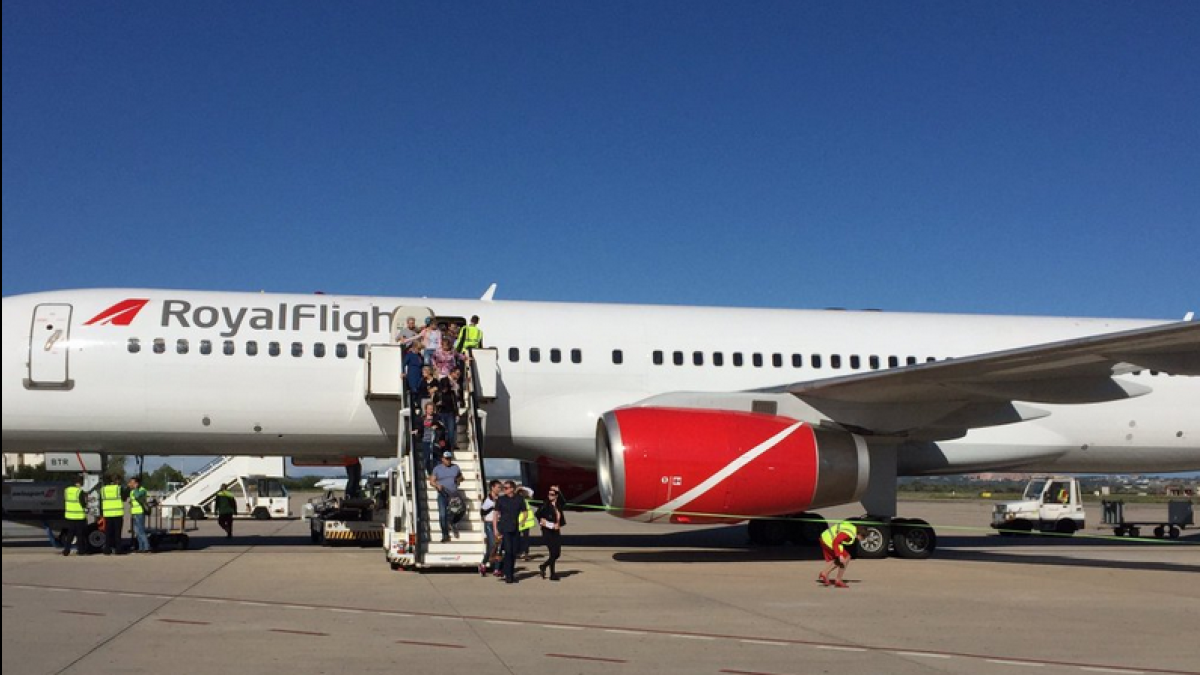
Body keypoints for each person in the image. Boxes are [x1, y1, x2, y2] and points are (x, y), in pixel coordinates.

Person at [428, 452, 463, 542]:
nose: (448, 460)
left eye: (450, 458)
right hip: (443, 494)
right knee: (442, 515)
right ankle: (445, 534)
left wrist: (458, 480)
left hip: (453, 494)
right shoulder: (437, 469)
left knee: (460, 511)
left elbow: (461, 477)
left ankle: (452, 522)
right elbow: (431, 481)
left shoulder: (456, 467)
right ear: (442, 459)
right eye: (446, 458)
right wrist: (437, 485)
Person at [817, 521, 863, 589]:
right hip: (828, 540)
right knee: (845, 557)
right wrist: (839, 555)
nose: (862, 540)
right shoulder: (849, 533)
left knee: (844, 558)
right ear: (860, 535)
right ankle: (838, 580)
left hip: (826, 537)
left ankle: (825, 573)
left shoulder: (851, 528)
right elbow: (836, 542)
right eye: (863, 538)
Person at [494, 480, 523, 584]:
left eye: (506, 488)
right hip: (504, 528)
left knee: (514, 552)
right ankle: (508, 575)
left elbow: (525, 512)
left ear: (512, 489)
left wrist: (522, 522)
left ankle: (509, 572)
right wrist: (495, 529)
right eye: (503, 488)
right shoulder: (501, 500)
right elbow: (496, 514)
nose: (504, 490)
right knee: (508, 551)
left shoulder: (519, 499)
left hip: (515, 528)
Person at [536, 485, 566, 580]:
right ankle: (552, 574)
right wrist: (550, 525)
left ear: (556, 496)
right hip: (547, 532)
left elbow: (564, 501)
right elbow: (538, 515)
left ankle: (544, 566)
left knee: (557, 554)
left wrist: (559, 491)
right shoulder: (545, 505)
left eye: (552, 495)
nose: (550, 496)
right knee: (553, 553)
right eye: (549, 494)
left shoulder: (558, 505)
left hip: (556, 532)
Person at [99, 474, 128, 555]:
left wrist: (101, 513)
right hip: (117, 514)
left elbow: (101, 502)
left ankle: (107, 550)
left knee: (108, 533)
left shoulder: (103, 489)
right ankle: (118, 550)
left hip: (107, 514)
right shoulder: (119, 488)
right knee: (117, 533)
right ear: (117, 481)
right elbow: (124, 498)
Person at [61, 474, 90, 556]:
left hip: (70, 515)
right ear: (80, 482)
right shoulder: (79, 491)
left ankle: (66, 550)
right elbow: (83, 504)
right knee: (79, 534)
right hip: (79, 516)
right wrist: (87, 507)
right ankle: (80, 550)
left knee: (70, 534)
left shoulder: (66, 490)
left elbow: (65, 500)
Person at [479, 480, 502, 577]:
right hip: (489, 524)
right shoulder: (487, 499)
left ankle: (496, 569)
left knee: (498, 546)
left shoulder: (500, 499)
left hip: (498, 523)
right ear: (492, 487)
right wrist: (492, 507)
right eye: (498, 487)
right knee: (492, 545)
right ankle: (483, 563)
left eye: (500, 487)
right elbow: (482, 512)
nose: (499, 489)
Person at [128, 477, 153, 553]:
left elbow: (137, 496)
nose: (131, 484)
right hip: (134, 512)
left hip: (140, 512)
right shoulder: (132, 491)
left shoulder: (142, 490)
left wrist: (135, 489)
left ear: (137, 483)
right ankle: (141, 547)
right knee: (137, 531)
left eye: (132, 482)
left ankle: (147, 547)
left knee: (141, 530)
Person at [516, 483, 536, 560]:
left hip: (525, 523)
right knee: (517, 539)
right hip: (518, 522)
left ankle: (525, 553)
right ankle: (519, 552)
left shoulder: (526, 499)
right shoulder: (515, 499)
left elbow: (531, 492)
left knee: (525, 540)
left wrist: (522, 487)